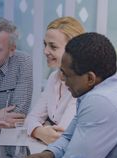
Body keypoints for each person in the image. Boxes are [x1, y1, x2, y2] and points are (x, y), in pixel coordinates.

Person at [25, 16, 84, 144]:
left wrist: (41, 128)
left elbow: (61, 135)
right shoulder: (54, 77)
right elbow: (31, 118)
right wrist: (40, 131)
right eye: (45, 45)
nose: (46, 51)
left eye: (53, 46)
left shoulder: (81, 84)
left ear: (73, 50)